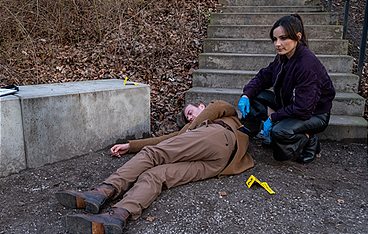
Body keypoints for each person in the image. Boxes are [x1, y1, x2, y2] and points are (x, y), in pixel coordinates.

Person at [55, 100, 254, 234]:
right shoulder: (191, 129)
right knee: (156, 175)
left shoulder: (216, 113)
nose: (191, 118)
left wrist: (189, 128)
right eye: (188, 118)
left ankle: (103, 191)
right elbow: (166, 139)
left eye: (191, 112)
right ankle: (117, 215)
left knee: (153, 154)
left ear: (201, 106)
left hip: (219, 137)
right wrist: (130, 146)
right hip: (219, 165)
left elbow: (219, 106)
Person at [237, 14, 335, 163]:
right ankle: (252, 132)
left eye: (283, 38)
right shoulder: (283, 57)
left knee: (280, 141)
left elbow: (304, 108)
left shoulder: (306, 64)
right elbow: (264, 76)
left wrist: (273, 118)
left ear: (298, 37)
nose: (277, 43)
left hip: (314, 113)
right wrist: (246, 95)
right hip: (290, 104)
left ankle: (310, 139)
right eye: (275, 39)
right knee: (255, 97)